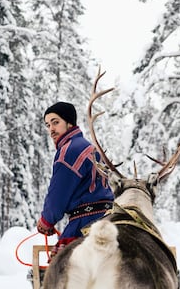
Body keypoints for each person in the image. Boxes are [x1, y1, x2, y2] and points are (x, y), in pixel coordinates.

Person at [37, 101, 114, 254]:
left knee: (58, 271)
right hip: (109, 221)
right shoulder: (89, 148)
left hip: (84, 225)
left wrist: (46, 221)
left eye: (55, 122)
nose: (51, 129)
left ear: (70, 123)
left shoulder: (69, 151)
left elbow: (58, 196)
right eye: (48, 125)